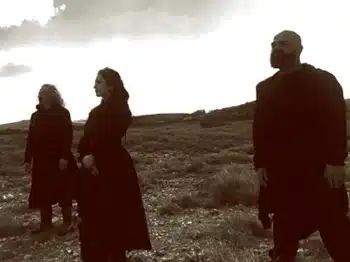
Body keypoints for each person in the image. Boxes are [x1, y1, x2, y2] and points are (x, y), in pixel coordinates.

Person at [253, 30, 350, 261]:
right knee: (284, 238)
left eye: (284, 44)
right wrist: (260, 165)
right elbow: (261, 129)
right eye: (273, 44)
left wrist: (336, 161)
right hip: (282, 174)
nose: (276, 48)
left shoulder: (323, 81)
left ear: (299, 50)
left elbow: (337, 122)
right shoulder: (265, 88)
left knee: (338, 235)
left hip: (319, 172)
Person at [75, 67, 152, 261]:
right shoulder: (95, 112)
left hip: (113, 168)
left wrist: (94, 157)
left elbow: (109, 136)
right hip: (93, 170)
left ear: (110, 86)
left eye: (99, 82)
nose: (94, 85)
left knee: (114, 216)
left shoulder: (121, 109)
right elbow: (85, 140)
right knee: (94, 218)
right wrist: (84, 156)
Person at [24, 84, 77, 236]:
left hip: (59, 160)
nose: (41, 95)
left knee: (64, 192)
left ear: (52, 96)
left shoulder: (62, 113)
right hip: (41, 162)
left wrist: (64, 157)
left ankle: (67, 222)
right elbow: (31, 139)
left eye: (44, 93)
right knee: (42, 193)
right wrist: (27, 160)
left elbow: (67, 137)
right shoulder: (36, 116)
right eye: (40, 92)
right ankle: (45, 224)